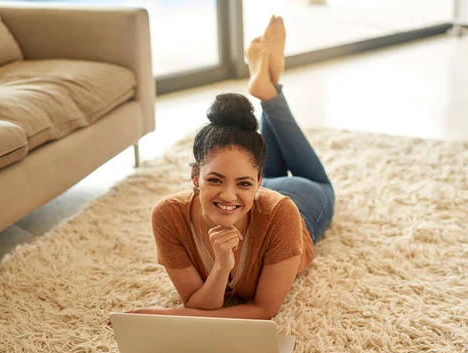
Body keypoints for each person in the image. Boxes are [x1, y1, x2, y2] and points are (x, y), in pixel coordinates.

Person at [127, 16, 335, 320]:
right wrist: (222, 266)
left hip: (297, 200)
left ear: (259, 181)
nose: (227, 195)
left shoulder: (283, 214)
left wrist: (169, 316)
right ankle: (269, 87)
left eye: (244, 183)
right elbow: (198, 302)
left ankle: (270, 89)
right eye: (214, 179)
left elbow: (264, 309)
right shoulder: (169, 215)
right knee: (247, 157)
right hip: (255, 193)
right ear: (194, 176)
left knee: (324, 186)